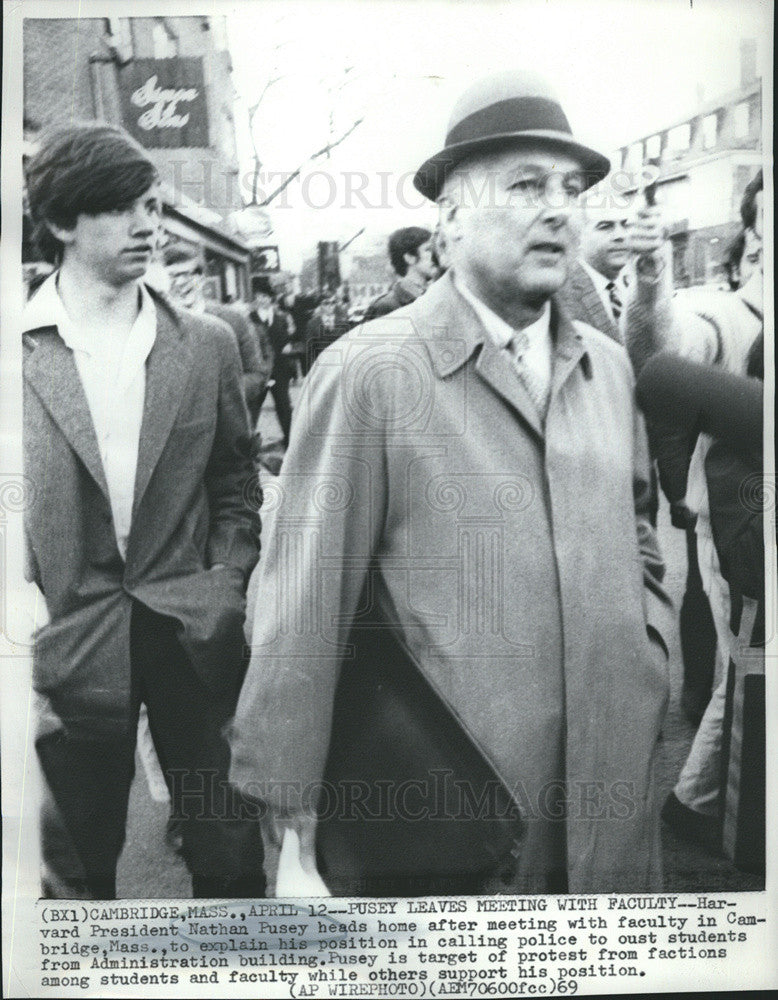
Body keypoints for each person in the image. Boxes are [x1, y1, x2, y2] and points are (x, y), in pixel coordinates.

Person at [230, 71, 673, 896]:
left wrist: (647, 656)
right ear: (451, 214)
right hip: (454, 822)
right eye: (526, 184)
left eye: (572, 189)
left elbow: (638, 533)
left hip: (612, 806)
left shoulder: (606, 367)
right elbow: (301, 605)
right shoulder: (371, 373)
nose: (559, 209)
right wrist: (290, 832)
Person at [23, 122, 266, 899]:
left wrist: (226, 578)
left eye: (150, 205)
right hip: (65, 636)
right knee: (72, 868)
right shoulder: (14, 350)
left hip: (192, 629)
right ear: (61, 222)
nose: (146, 225)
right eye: (118, 208)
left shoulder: (205, 344)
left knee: (229, 855)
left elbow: (235, 477)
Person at [624, 169, 764, 847]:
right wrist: (652, 276)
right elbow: (662, 355)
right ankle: (703, 803)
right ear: (754, 232)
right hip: (743, 526)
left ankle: (700, 800)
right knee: (746, 663)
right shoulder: (736, 311)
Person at [163, 244, 267, 427]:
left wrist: (216, 395)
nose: (180, 283)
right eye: (172, 276)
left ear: (202, 278)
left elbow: (257, 374)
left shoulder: (233, 321)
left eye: (187, 274)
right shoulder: (155, 324)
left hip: (224, 430)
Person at [557, 205, 630, 342]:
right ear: (577, 237)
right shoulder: (562, 294)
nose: (620, 236)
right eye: (605, 226)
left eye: (625, 225)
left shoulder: (637, 286)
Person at [250, 277, 294, 449]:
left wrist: (288, 346)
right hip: (258, 372)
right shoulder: (249, 320)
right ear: (255, 299)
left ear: (271, 298)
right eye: (259, 296)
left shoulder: (281, 318)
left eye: (266, 296)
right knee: (252, 411)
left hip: (279, 372)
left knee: (284, 408)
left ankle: (291, 443)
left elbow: (287, 340)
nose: (262, 300)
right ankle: (248, 446)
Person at [362, 226, 436, 320]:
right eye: (428, 250)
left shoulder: (432, 298)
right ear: (409, 258)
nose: (435, 255)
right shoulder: (386, 307)